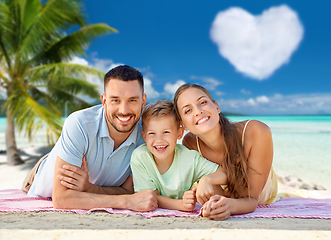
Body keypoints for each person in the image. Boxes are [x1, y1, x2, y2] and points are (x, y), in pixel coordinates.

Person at [25, 65, 158, 211]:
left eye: (132, 100)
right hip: (42, 171)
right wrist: (127, 202)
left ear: (143, 101)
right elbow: (62, 199)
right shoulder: (80, 123)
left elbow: (128, 191)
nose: (124, 110)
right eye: (115, 100)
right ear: (104, 101)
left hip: (91, 184)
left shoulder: (148, 135)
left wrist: (89, 188)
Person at [174, 83, 278, 220]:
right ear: (184, 125)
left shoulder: (256, 131)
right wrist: (213, 206)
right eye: (188, 110)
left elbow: (251, 200)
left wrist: (209, 181)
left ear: (216, 106)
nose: (198, 111)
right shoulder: (190, 143)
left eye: (203, 102)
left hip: (259, 191)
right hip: (225, 192)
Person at [130, 99, 227, 211]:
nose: (159, 140)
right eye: (152, 133)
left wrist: (207, 180)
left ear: (179, 133)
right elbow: (149, 197)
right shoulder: (140, 157)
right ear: (145, 136)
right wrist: (180, 204)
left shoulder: (190, 158)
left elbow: (225, 173)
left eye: (166, 132)